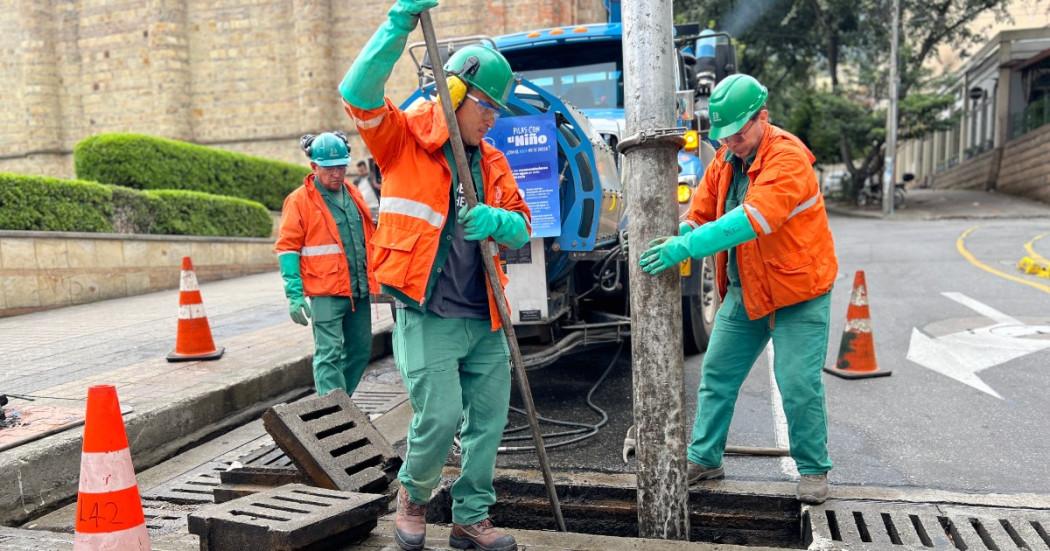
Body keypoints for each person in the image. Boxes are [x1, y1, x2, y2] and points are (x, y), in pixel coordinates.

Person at [339, 1, 531, 549]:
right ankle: (413, 496)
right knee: (440, 417)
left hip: (486, 313)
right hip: (428, 314)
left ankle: (471, 519)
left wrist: (498, 221)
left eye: (496, 110)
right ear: (457, 95)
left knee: (489, 424)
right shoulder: (403, 141)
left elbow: (521, 226)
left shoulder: (491, 161)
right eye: (486, 106)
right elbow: (357, 92)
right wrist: (399, 23)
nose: (492, 118)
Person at [639, 74, 838, 505]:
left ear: (762, 118)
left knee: (797, 383)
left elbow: (753, 220)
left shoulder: (788, 159)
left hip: (798, 294)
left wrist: (685, 247)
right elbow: (704, 211)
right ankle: (705, 458)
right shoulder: (727, 160)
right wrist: (681, 233)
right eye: (724, 137)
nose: (731, 143)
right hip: (747, 290)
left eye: (738, 134)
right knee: (717, 375)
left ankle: (813, 469)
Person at [275, 131, 378, 397]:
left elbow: (368, 237)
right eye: (330, 168)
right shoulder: (299, 201)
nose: (337, 173)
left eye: (341, 166)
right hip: (326, 293)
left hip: (358, 291)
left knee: (360, 350)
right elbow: (287, 247)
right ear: (314, 166)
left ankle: (340, 406)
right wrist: (295, 295)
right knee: (329, 354)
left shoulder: (353, 193)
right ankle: (334, 415)